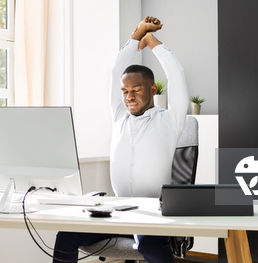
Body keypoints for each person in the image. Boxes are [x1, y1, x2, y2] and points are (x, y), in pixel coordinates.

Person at [52, 16, 189, 263]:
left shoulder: (169, 120)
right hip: (117, 211)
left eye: (136, 89)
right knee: (66, 236)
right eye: (125, 91)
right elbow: (117, 71)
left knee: (151, 247)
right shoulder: (119, 117)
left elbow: (176, 74)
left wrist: (152, 42)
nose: (129, 96)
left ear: (153, 89)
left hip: (152, 213)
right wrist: (136, 36)